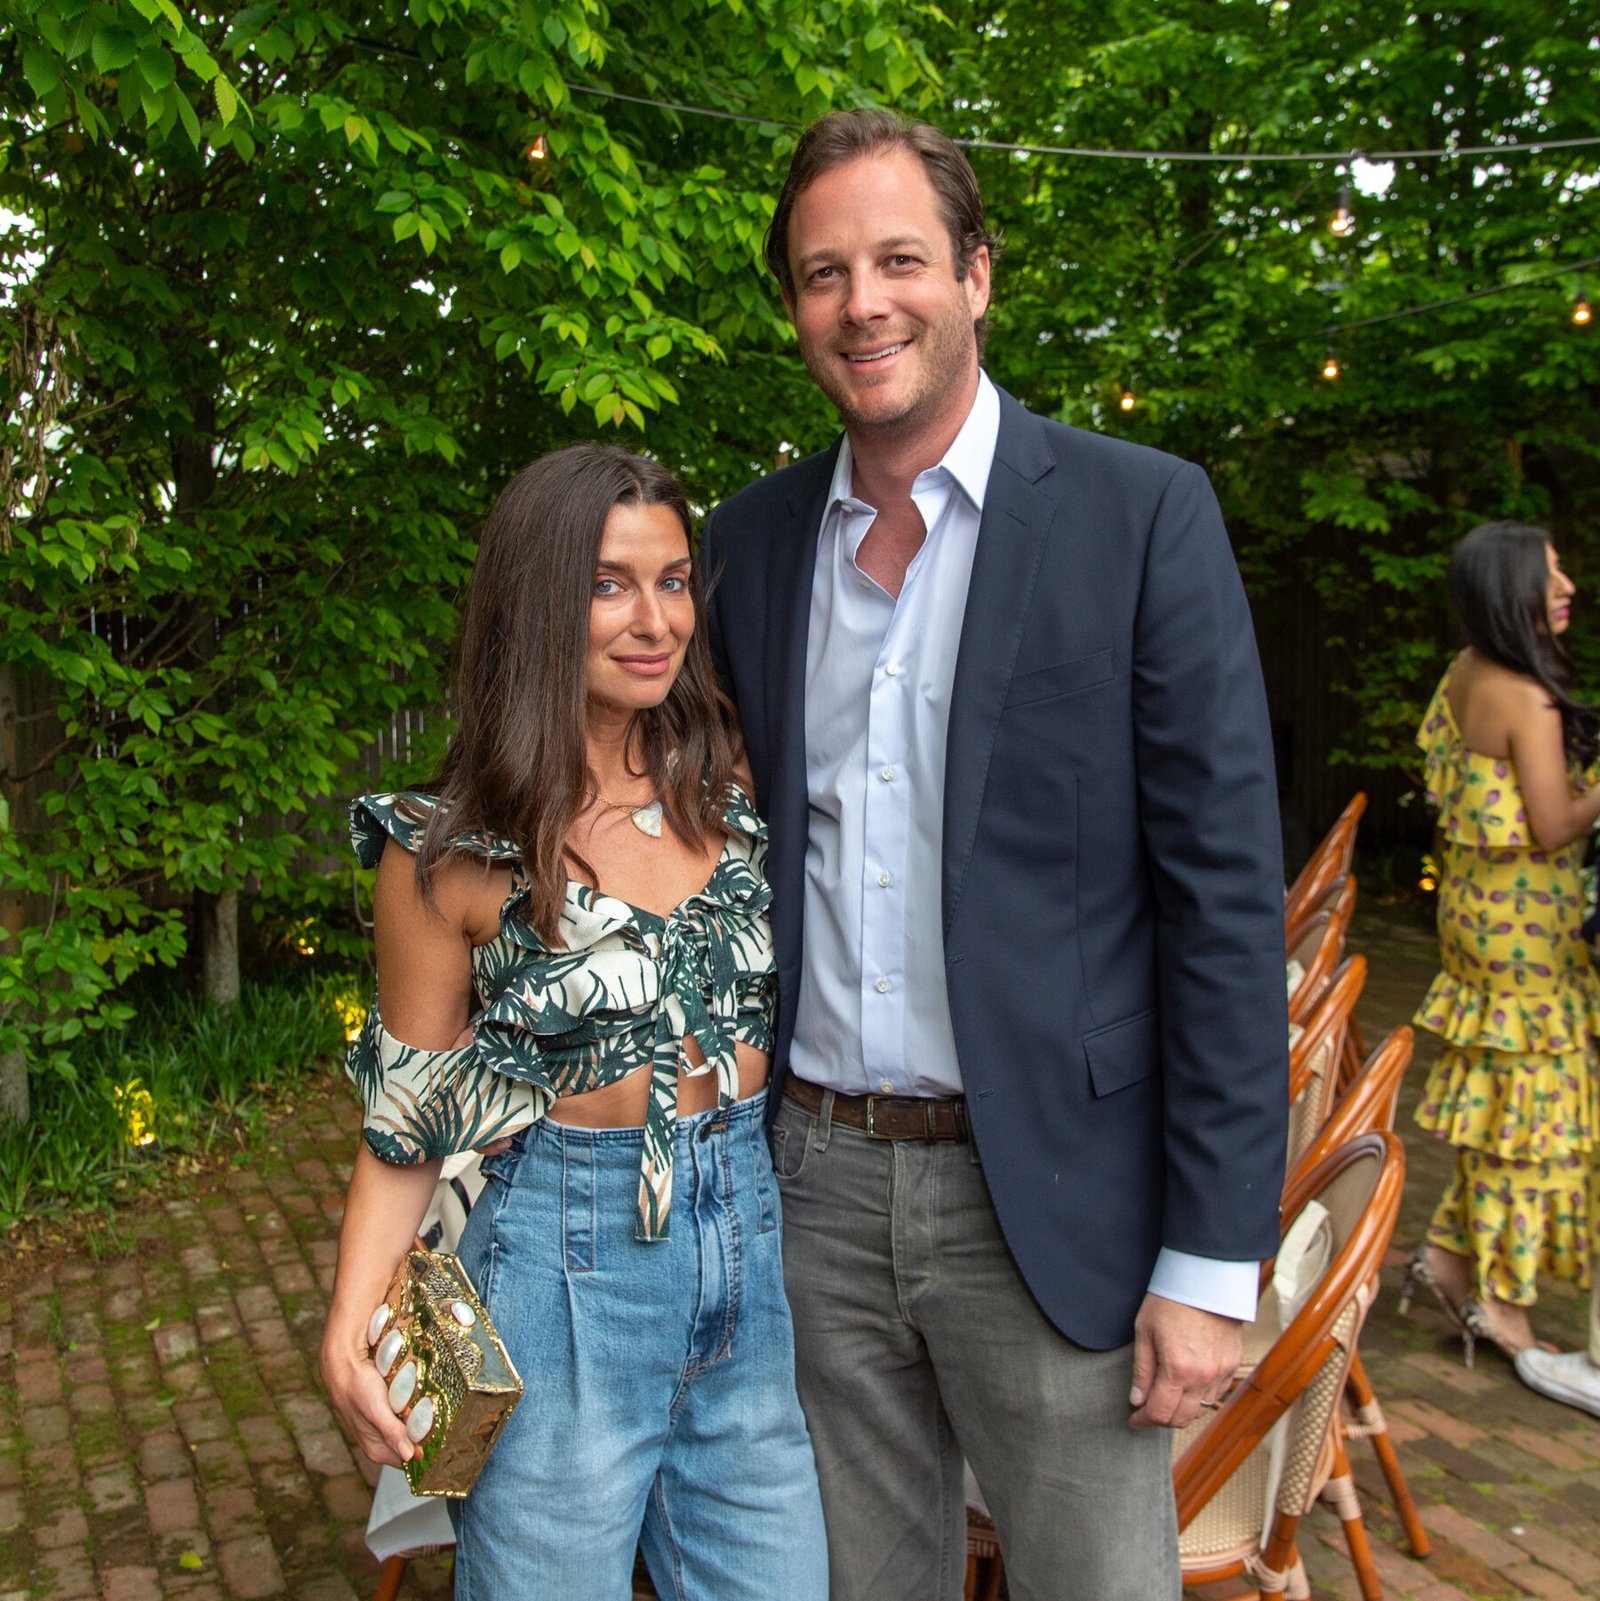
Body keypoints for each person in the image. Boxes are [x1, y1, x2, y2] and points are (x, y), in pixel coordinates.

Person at [699, 109, 1289, 1601]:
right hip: (808, 1189)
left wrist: (1210, 1260)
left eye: (900, 260)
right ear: (794, 308)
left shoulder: (1140, 515)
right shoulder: (746, 546)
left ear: (976, 275)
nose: (864, 303)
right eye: (824, 273)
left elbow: (1224, 906)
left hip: (1054, 1200)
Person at [320, 445, 827, 1600]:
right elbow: (411, 1114)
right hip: (562, 1269)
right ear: (539, 600)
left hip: (746, 1262)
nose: (655, 620)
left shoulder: (731, 783)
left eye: (673, 580)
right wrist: (351, 1314)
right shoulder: (448, 847)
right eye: (609, 584)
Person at [1403, 520, 1600, 1364]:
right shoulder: (1525, 695)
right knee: (1536, 1122)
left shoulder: (1466, 670)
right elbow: (1555, 824)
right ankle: (1502, 1302)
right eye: (1551, 576)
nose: (1568, 588)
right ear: (1510, 590)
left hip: (1477, 913)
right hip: (1528, 930)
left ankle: (1448, 1260)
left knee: (1502, 1109)